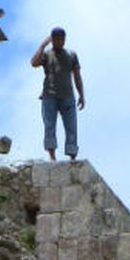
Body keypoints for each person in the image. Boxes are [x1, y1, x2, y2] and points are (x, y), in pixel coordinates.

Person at [31, 27, 85, 162]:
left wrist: (81, 95)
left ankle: (72, 155)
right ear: (52, 40)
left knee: (71, 127)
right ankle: (51, 156)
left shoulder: (72, 55)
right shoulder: (47, 54)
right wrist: (43, 45)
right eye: (57, 39)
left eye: (62, 39)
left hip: (68, 97)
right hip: (49, 96)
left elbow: (77, 76)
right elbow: (33, 63)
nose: (60, 42)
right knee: (49, 126)